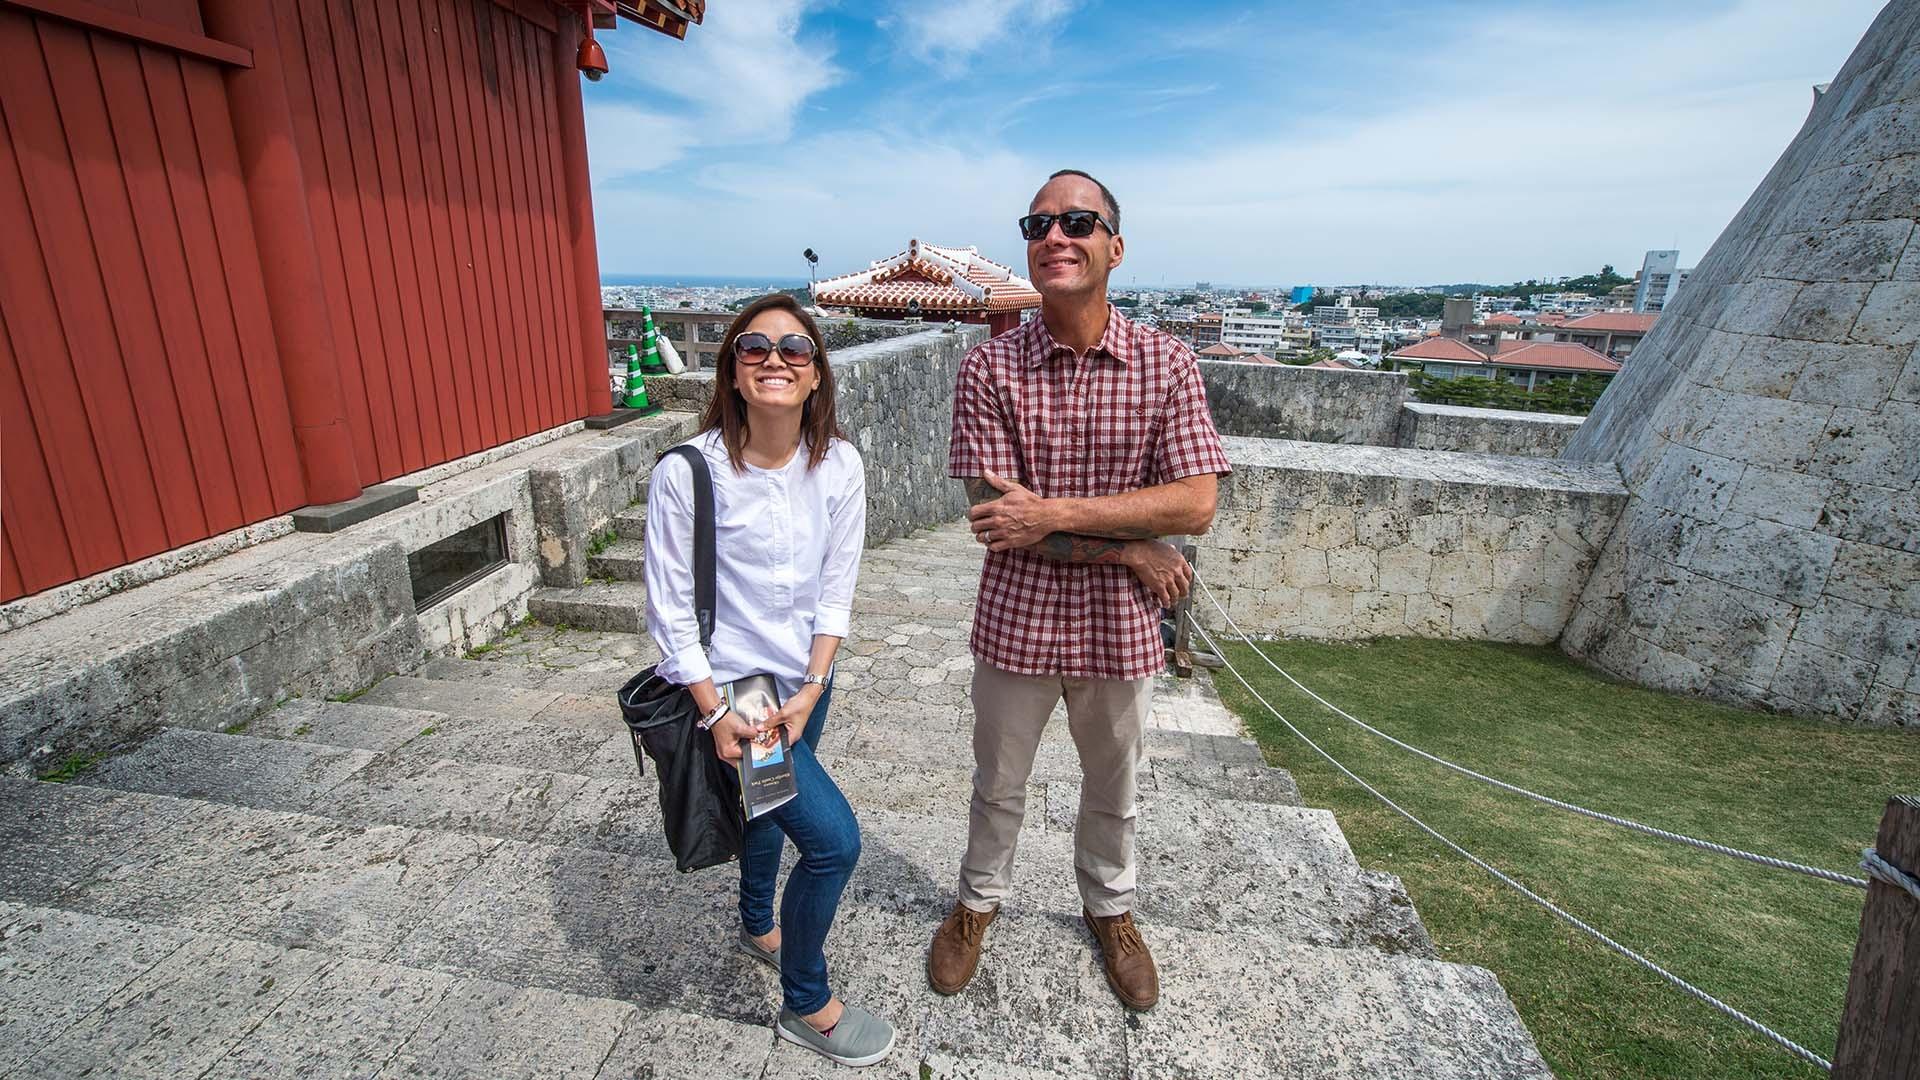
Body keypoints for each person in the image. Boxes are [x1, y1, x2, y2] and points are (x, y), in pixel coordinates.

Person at [929, 170, 1231, 1011]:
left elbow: (1196, 503)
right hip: (1018, 621)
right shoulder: (989, 367)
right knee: (997, 784)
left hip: (1118, 629)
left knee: (1115, 789)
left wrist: (1054, 515)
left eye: (1076, 222)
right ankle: (976, 903)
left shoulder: (1166, 364)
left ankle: (1111, 911)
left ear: (1115, 247)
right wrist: (1133, 547)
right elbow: (996, 516)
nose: (1055, 237)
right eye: (1039, 225)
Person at [643, 294, 894, 1067]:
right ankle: (806, 1002)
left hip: (806, 680)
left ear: (816, 374)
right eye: (754, 347)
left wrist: (814, 686)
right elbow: (669, 608)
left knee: (765, 816)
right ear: (732, 370)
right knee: (832, 843)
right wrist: (715, 711)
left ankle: (758, 923)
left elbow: (836, 587)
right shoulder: (689, 473)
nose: (775, 359)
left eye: (795, 348)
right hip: (744, 698)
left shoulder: (839, 464)